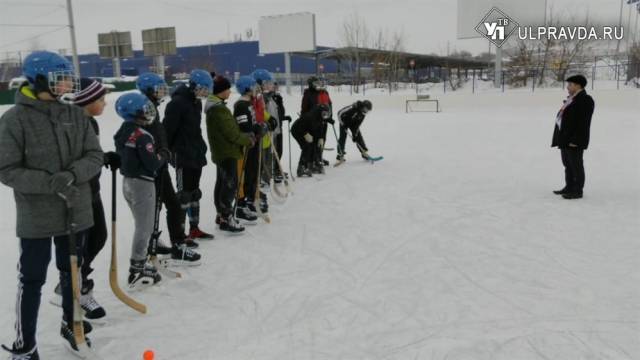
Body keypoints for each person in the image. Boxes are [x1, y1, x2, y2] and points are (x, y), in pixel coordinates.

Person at [0, 51, 104, 359]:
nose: (66, 85)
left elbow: (94, 156)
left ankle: (72, 324)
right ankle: (25, 343)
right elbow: (6, 169)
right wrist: (48, 183)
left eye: (67, 79)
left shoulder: (73, 113)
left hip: (77, 210)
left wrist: (72, 175)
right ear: (40, 79)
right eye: (60, 79)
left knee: (72, 273)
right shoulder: (14, 119)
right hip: (37, 216)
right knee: (31, 278)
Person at [51, 78, 118, 322]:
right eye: (101, 100)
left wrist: (104, 157)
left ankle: (76, 283)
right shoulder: (72, 124)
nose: (105, 104)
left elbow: (90, 154)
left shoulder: (90, 123)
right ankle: (75, 288)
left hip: (93, 190)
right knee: (78, 247)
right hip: (78, 195)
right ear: (85, 101)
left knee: (98, 237)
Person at [136, 73, 202, 264]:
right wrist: (158, 155)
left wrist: (164, 152)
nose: (162, 92)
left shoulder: (152, 108)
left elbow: (160, 134)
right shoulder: (142, 109)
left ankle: (177, 243)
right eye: (158, 88)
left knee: (172, 204)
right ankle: (149, 247)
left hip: (160, 165)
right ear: (148, 90)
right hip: (150, 169)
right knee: (154, 208)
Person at [114, 92, 169, 287]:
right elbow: (152, 163)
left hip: (128, 182)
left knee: (140, 222)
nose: (148, 114)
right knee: (144, 226)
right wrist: (163, 155)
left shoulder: (123, 131)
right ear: (134, 113)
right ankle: (137, 267)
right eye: (144, 111)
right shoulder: (143, 136)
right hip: (142, 183)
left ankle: (140, 260)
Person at [163, 69, 214, 240]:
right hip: (182, 156)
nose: (205, 92)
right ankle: (180, 233)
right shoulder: (177, 104)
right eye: (203, 88)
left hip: (196, 153)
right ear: (194, 86)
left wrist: (201, 147)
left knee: (194, 192)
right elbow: (167, 131)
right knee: (183, 195)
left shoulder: (196, 103)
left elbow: (195, 130)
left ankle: (194, 228)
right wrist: (169, 153)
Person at [205, 75, 255, 233]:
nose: (229, 91)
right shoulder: (219, 109)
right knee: (228, 185)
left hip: (223, 151)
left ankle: (221, 215)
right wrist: (248, 139)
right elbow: (232, 133)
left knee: (222, 183)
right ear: (221, 91)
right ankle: (226, 216)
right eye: (227, 89)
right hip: (226, 152)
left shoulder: (218, 107)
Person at [551, 74, 595, 200]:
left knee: (576, 165)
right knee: (567, 164)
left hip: (574, 140)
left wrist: (576, 140)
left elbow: (584, 123)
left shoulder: (585, 100)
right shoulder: (571, 99)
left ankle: (577, 190)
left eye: (570, 84)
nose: (567, 87)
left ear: (578, 85)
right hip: (565, 138)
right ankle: (569, 186)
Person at [233, 76, 264, 223]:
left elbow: (253, 121)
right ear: (246, 88)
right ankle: (241, 203)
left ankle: (251, 199)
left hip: (253, 143)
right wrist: (257, 129)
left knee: (252, 171)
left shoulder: (249, 103)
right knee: (245, 172)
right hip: (245, 144)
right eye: (252, 87)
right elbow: (244, 126)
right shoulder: (240, 105)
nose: (255, 89)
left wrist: (260, 127)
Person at [301, 76, 333, 174]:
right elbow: (304, 108)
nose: (318, 85)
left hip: (323, 120)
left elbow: (329, 104)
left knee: (322, 140)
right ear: (311, 84)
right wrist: (305, 119)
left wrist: (329, 117)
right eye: (315, 83)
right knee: (313, 141)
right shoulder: (308, 94)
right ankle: (312, 162)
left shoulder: (324, 92)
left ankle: (319, 158)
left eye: (318, 83)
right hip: (312, 121)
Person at [291, 104, 333, 177]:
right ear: (320, 111)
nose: (325, 116)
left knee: (314, 145)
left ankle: (311, 164)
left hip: (308, 130)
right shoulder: (310, 116)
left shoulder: (321, 117)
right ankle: (301, 168)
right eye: (324, 114)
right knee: (306, 146)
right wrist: (305, 134)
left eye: (326, 114)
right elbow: (301, 126)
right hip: (297, 130)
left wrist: (320, 138)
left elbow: (320, 128)